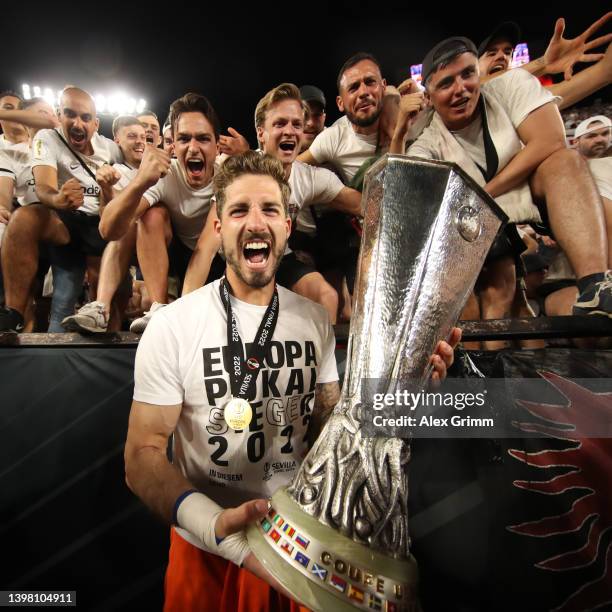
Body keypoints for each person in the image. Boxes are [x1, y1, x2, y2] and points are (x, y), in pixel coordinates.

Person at [124, 151, 459, 611]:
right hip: (206, 549)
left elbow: (332, 433)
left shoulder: (313, 320)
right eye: (239, 210)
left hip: (296, 546)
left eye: (270, 210)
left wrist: (408, 393)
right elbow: (141, 455)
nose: (255, 222)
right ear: (218, 226)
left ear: (288, 224)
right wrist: (212, 524)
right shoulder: (174, 325)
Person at [402, 36, 612, 319]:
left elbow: (551, 141)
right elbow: (414, 196)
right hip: (472, 218)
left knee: (566, 162)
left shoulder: (509, 85)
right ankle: (470, 352)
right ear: (429, 96)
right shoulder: (426, 141)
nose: (461, 89)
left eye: (467, 74)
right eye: (446, 83)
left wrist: (486, 192)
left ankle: (595, 286)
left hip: (523, 188)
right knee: (497, 291)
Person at [99, 92, 225, 333]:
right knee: (150, 215)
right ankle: (156, 309)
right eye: (185, 139)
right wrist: (141, 182)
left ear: (217, 146)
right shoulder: (166, 173)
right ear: (173, 144)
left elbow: (204, 250)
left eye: (203, 139)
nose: (193, 148)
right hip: (178, 254)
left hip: (216, 258)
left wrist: (183, 310)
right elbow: (108, 230)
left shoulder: (226, 177)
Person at [0, 87, 120, 333]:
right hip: (67, 223)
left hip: (101, 225)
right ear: (59, 115)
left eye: (85, 118)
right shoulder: (47, 138)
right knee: (24, 218)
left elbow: (133, 162)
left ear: (96, 123)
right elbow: (43, 188)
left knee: (110, 301)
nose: (78, 123)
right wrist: (59, 199)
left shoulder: (110, 148)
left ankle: (114, 356)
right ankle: (13, 314)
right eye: (70, 114)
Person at [61, 115, 148, 332]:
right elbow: (106, 220)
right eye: (132, 136)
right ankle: (100, 308)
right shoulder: (112, 172)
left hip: (161, 243)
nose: (140, 141)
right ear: (117, 140)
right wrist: (108, 189)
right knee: (124, 229)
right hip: (124, 243)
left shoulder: (162, 167)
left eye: (144, 136)